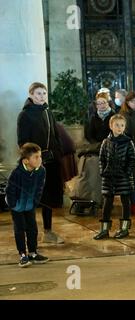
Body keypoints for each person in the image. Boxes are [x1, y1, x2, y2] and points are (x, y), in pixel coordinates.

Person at [17, 82, 64, 244]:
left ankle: (48, 231)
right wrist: (34, 159)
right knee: (31, 199)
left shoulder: (47, 111)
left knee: (48, 198)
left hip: (50, 161)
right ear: (31, 95)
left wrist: (56, 153)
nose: (42, 96)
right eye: (38, 93)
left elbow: (55, 135)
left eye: (44, 93)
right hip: (34, 162)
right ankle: (30, 234)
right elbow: (23, 142)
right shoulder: (25, 115)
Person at [5, 143, 50, 267]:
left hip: (30, 205)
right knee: (19, 230)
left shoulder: (41, 171)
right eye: (36, 157)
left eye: (40, 156)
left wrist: (35, 202)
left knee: (32, 229)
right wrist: (13, 204)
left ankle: (32, 253)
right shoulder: (16, 173)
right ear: (25, 161)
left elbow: (40, 188)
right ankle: (23, 255)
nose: (39, 159)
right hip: (17, 207)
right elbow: (10, 190)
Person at [94, 114, 135, 240]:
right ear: (111, 126)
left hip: (123, 177)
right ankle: (104, 229)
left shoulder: (128, 142)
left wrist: (127, 171)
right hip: (108, 177)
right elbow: (101, 159)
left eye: (122, 125)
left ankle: (124, 228)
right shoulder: (106, 142)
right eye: (117, 125)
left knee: (125, 201)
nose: (119, 128)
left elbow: (132, 159)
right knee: (107, 202)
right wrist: (103, 171)